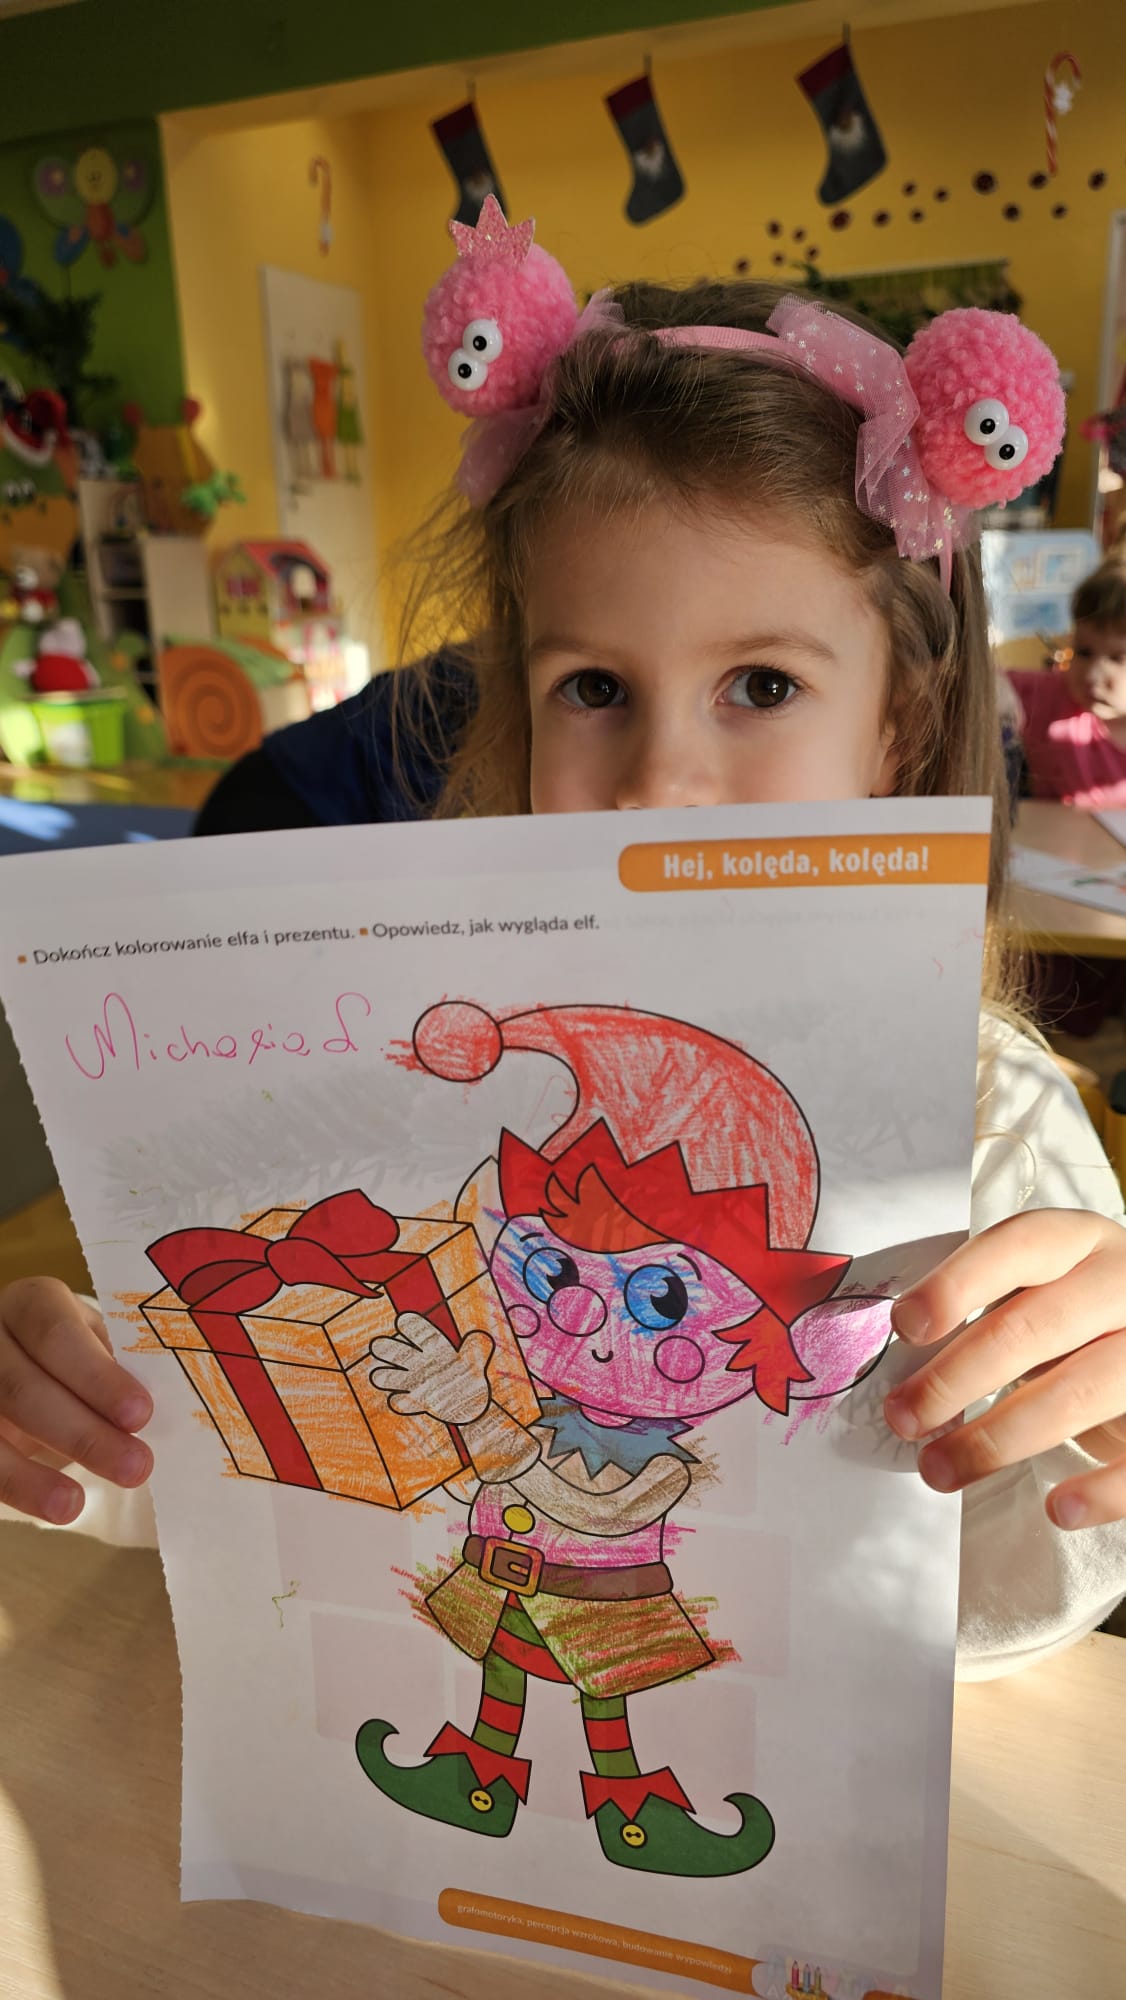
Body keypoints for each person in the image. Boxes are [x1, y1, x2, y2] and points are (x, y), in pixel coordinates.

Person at [2, 223, 1125, 1688]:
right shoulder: (424, 1077)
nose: (661, 783)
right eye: (594, 687)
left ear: (896, 729)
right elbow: (258, 1455)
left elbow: (1024, 1599)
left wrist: (1083, 1424)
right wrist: (69, 1400)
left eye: (761, 684)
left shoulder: (999, 1131)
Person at [1006, 525, 1126, 809]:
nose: (1093, 675)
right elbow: (975, 679)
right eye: (1084, 652)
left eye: (1118, 658)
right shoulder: (1052, 696)